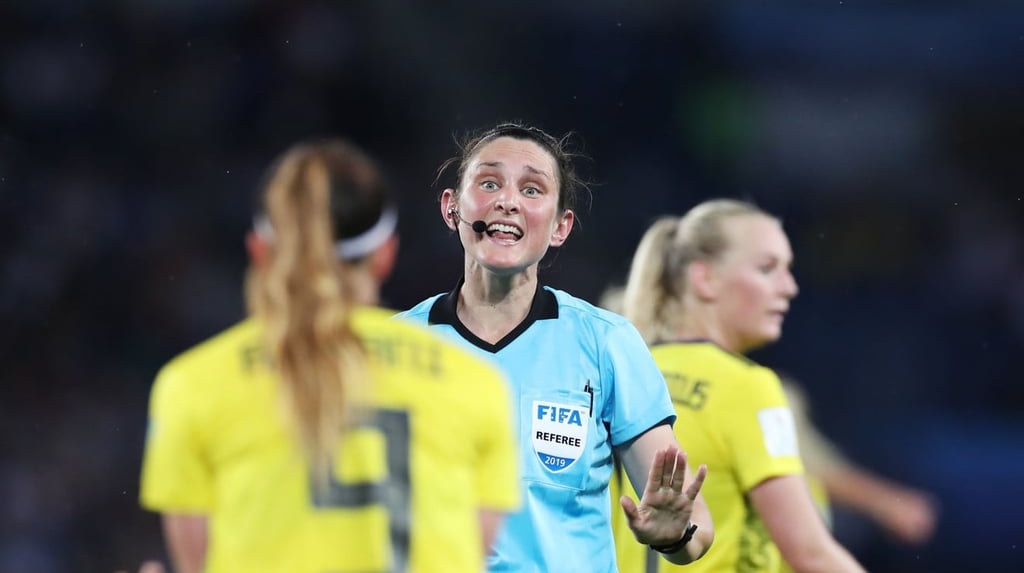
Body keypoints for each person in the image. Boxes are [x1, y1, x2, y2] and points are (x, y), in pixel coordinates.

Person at [138, 138, 520, 573]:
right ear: (385, 255)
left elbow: (199, 564)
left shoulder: (192, 387)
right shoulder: (476, 384)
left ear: (260, 251)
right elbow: (471, 552)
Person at [393, 122, 714, 572]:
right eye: (489, 183)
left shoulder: (606, 344)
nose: (507, 201)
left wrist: (674, 537)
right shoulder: (393, 347)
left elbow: (692, 523)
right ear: (452, 209)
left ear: (561, 226)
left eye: (532, 189)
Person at [608, 199, 866, 572]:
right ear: (705, 278)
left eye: (788, 270)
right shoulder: (747, 387)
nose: (789, 287)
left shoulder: (627, 372)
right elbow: (810, 553)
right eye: (767, 268)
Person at [780, 378, 938, 548]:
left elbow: (819, 461)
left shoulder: (774, 389)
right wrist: (886, 502)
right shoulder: (766, 393)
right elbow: (808, 466)